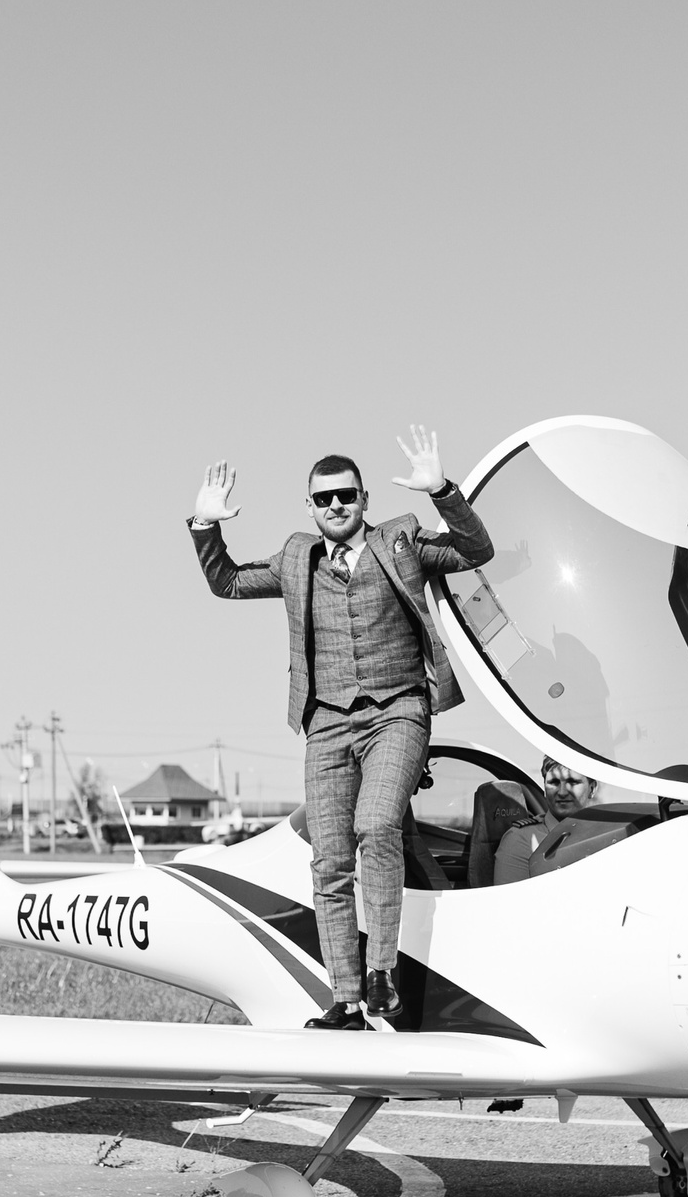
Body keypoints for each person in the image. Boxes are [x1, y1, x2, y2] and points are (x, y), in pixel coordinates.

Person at [189, 427, 494, 1028]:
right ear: (310, 506)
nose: (335, 506)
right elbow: (225, 582)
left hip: (397, 711)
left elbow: (474, 550)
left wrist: (444, 491)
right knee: (329, 861)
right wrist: (205, 526)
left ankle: (381, 971)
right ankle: (346, 1000)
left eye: (346, 496)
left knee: (377, 824)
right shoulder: (297, 558)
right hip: (325, 721)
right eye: (324, 498)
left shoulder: (400, 541)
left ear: (364, 499)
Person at [490, 758, 624, 883]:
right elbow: (511, 905)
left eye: (573, 782)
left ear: (592, 788)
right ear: (544, 788)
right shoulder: (520, 840)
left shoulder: (608, 837)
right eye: (554, 783)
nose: (562, 792)